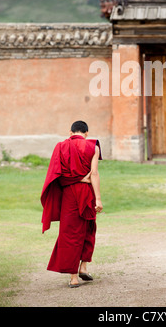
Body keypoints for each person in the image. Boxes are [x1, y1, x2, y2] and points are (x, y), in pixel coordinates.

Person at [40, 120, 103, 288]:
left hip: (69, 194)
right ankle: (83, 266)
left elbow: (56, 175)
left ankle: (74, 277)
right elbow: (94, 174)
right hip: (87, 193)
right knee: (88, 229)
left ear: (70, 132)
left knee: (69, 233)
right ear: (86, 133)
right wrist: (98, 198)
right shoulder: (93, 147)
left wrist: (75, 179)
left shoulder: (61, 146)